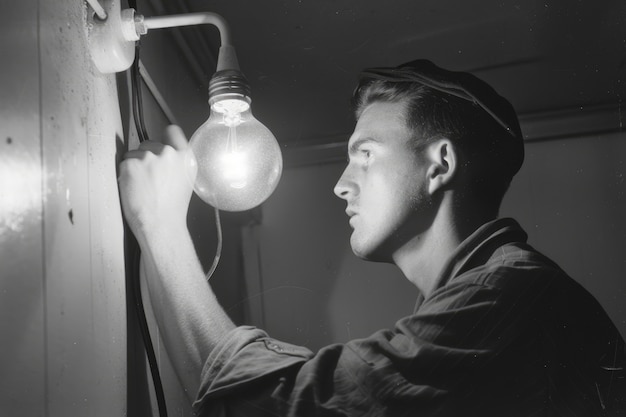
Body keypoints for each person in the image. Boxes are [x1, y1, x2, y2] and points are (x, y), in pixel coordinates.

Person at [118, 60, 626, 416]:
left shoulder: (506, 297)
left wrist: (163, 230)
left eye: (365, 154)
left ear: (440, 165)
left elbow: (288, 408)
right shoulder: (490, 298)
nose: (341, 184)